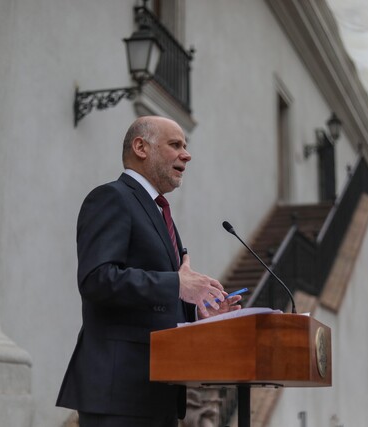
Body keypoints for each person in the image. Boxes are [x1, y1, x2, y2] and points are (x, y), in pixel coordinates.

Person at [56, 116, 242, 427]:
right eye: (175, 145)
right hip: (119, 394)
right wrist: (177, 285)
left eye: (186, 146)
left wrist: (197, 314)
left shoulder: (157, 210)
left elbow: (159, 298)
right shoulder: (112, 197)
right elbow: (97, 280)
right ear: (141, 147)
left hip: (158, 392)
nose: (187, 154)